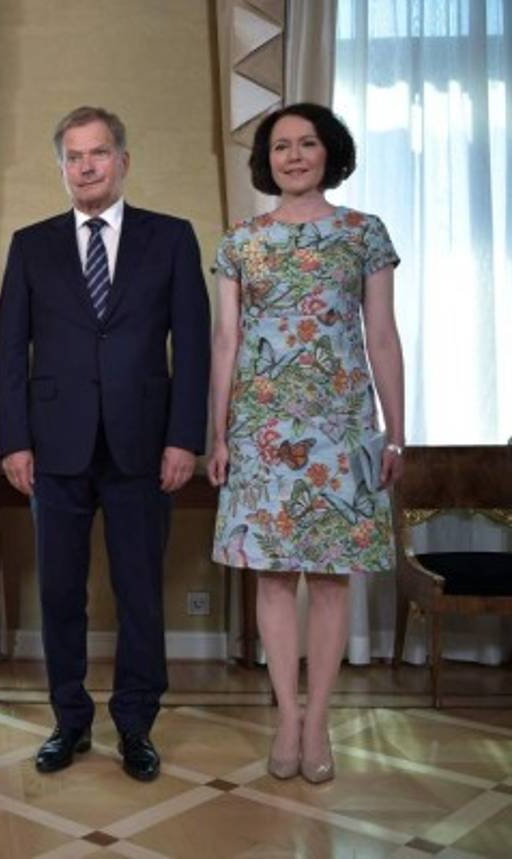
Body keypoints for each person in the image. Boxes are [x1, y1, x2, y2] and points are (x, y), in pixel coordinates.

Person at [0, 106, 210, 781]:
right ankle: (69, 719)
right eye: (74, 157)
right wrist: (14, 442)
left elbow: (195, 346)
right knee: (61, 592)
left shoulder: (171, 238)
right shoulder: (30, 245)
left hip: (144, 447)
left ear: (122, 159)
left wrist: (184, 438)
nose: (86, 166)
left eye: (98, 153)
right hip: (52, 448)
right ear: (61, 167)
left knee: (139, 589)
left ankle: (137, 723)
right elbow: (10, 355)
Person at [207, 102, 404, 784]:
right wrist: (219, 432)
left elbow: (381, 335)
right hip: (262, 428)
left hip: (343, 426)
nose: (294, 155)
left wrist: (396, 433)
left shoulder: (363, 234)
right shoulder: (240, 241)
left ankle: (317, 717)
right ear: (267, 159)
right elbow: (225, 342)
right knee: (269, 574)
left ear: (330, 153)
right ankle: (285, 716)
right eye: (281, 145)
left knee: (328, 577)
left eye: (307, 143)